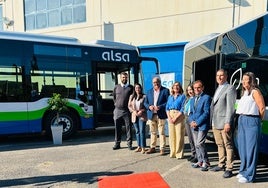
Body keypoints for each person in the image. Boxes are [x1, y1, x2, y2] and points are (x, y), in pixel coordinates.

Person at [236, 72, 265, 183]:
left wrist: (257, 121)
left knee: (251, 149)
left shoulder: (255, 92)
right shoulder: (245, 93)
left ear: (251, 80)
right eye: (242, 79)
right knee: (242, 148)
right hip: (242, 119)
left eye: (245, 79)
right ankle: (243, 170)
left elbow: (261, 109)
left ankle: (249, 176)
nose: (243, 81)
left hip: (252, 120)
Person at [210, 69, 236, 178]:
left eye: (222, 75)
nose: (219, 77)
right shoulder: (218, 88)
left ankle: (229, 168)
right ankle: (221, 164)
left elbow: (231, 107)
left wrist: (228, 122)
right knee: (219, 144)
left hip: (224, 123)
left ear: (226, 76)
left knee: (228, 145)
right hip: (215, 122)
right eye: (217, 75)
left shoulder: (230, 88)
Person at [188, 80, 211, 171]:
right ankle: (200, 161)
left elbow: (206, 112)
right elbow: (190, 113)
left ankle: (206, 161)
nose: (196, 89)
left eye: (199, 87)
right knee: (196, 144)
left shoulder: (206, 98)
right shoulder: (192, 99)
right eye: (195, 88)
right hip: (194, 125)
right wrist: (191, 122)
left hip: (202, 125)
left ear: (202, 88)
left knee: (199, 143)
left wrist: (197, 122)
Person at [144, 76, 169, 155]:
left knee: (161, 132)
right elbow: (145, 103)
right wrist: (149, 106)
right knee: (153, 132)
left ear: (160, 82)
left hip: (160, 114)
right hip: (151, 114)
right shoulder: (149, 91)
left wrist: (160, 107)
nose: (156, 83)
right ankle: (153, 147)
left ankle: (162, 148)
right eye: (154, 82)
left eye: (157, 81)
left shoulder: (165, 91)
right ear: (152, 83)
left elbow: (168, 102)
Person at [112, 72, 134, 150]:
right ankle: (117, 143)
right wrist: (116, 104)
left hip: (127, 111)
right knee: (117, 128)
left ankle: (129, 144)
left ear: (127, 78)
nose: (124, 79)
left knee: (128, 128)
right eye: (123, 77)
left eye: (126, 77)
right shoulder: (116, 87)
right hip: (117, 110)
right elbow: (114, 97)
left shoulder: (131, 88)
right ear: (120, 78)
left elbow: (133, 99)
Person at [166, 81, 186, 159]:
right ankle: (173, 152)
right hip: (170, 115)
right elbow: (167, 107)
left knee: (179, 135)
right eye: (175, 86)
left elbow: (183, 108)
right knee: (172, 135)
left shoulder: (182, 96)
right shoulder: (170, 97)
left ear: (180, 87)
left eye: (178, 86)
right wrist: (169, 117)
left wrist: (175, 117)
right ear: (172, 88)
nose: (176, 87)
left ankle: (179, 153)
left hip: (179, 115)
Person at [128, 83, 147, 154]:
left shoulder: (144, 96)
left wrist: (141, 111)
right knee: (137, 131)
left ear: (141, 89)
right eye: (136, 88)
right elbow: (129, 106)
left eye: (139, 88)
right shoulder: (131, 96)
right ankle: (139, 146)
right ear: (134, 89)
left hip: (142, 116)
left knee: (142, 131)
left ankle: (143, 147)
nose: (137, 89)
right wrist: (134, 111)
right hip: (134, 116)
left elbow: (146, 106)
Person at [184, 84, 197, 163]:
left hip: (193, 120)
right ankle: (193, 153)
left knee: (194, 138)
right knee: (190, 138)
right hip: (187, 119)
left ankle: (197, 156)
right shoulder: (187, 99)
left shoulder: (196, 99)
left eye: (191, 89)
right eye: (188, 90)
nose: (190, 91)